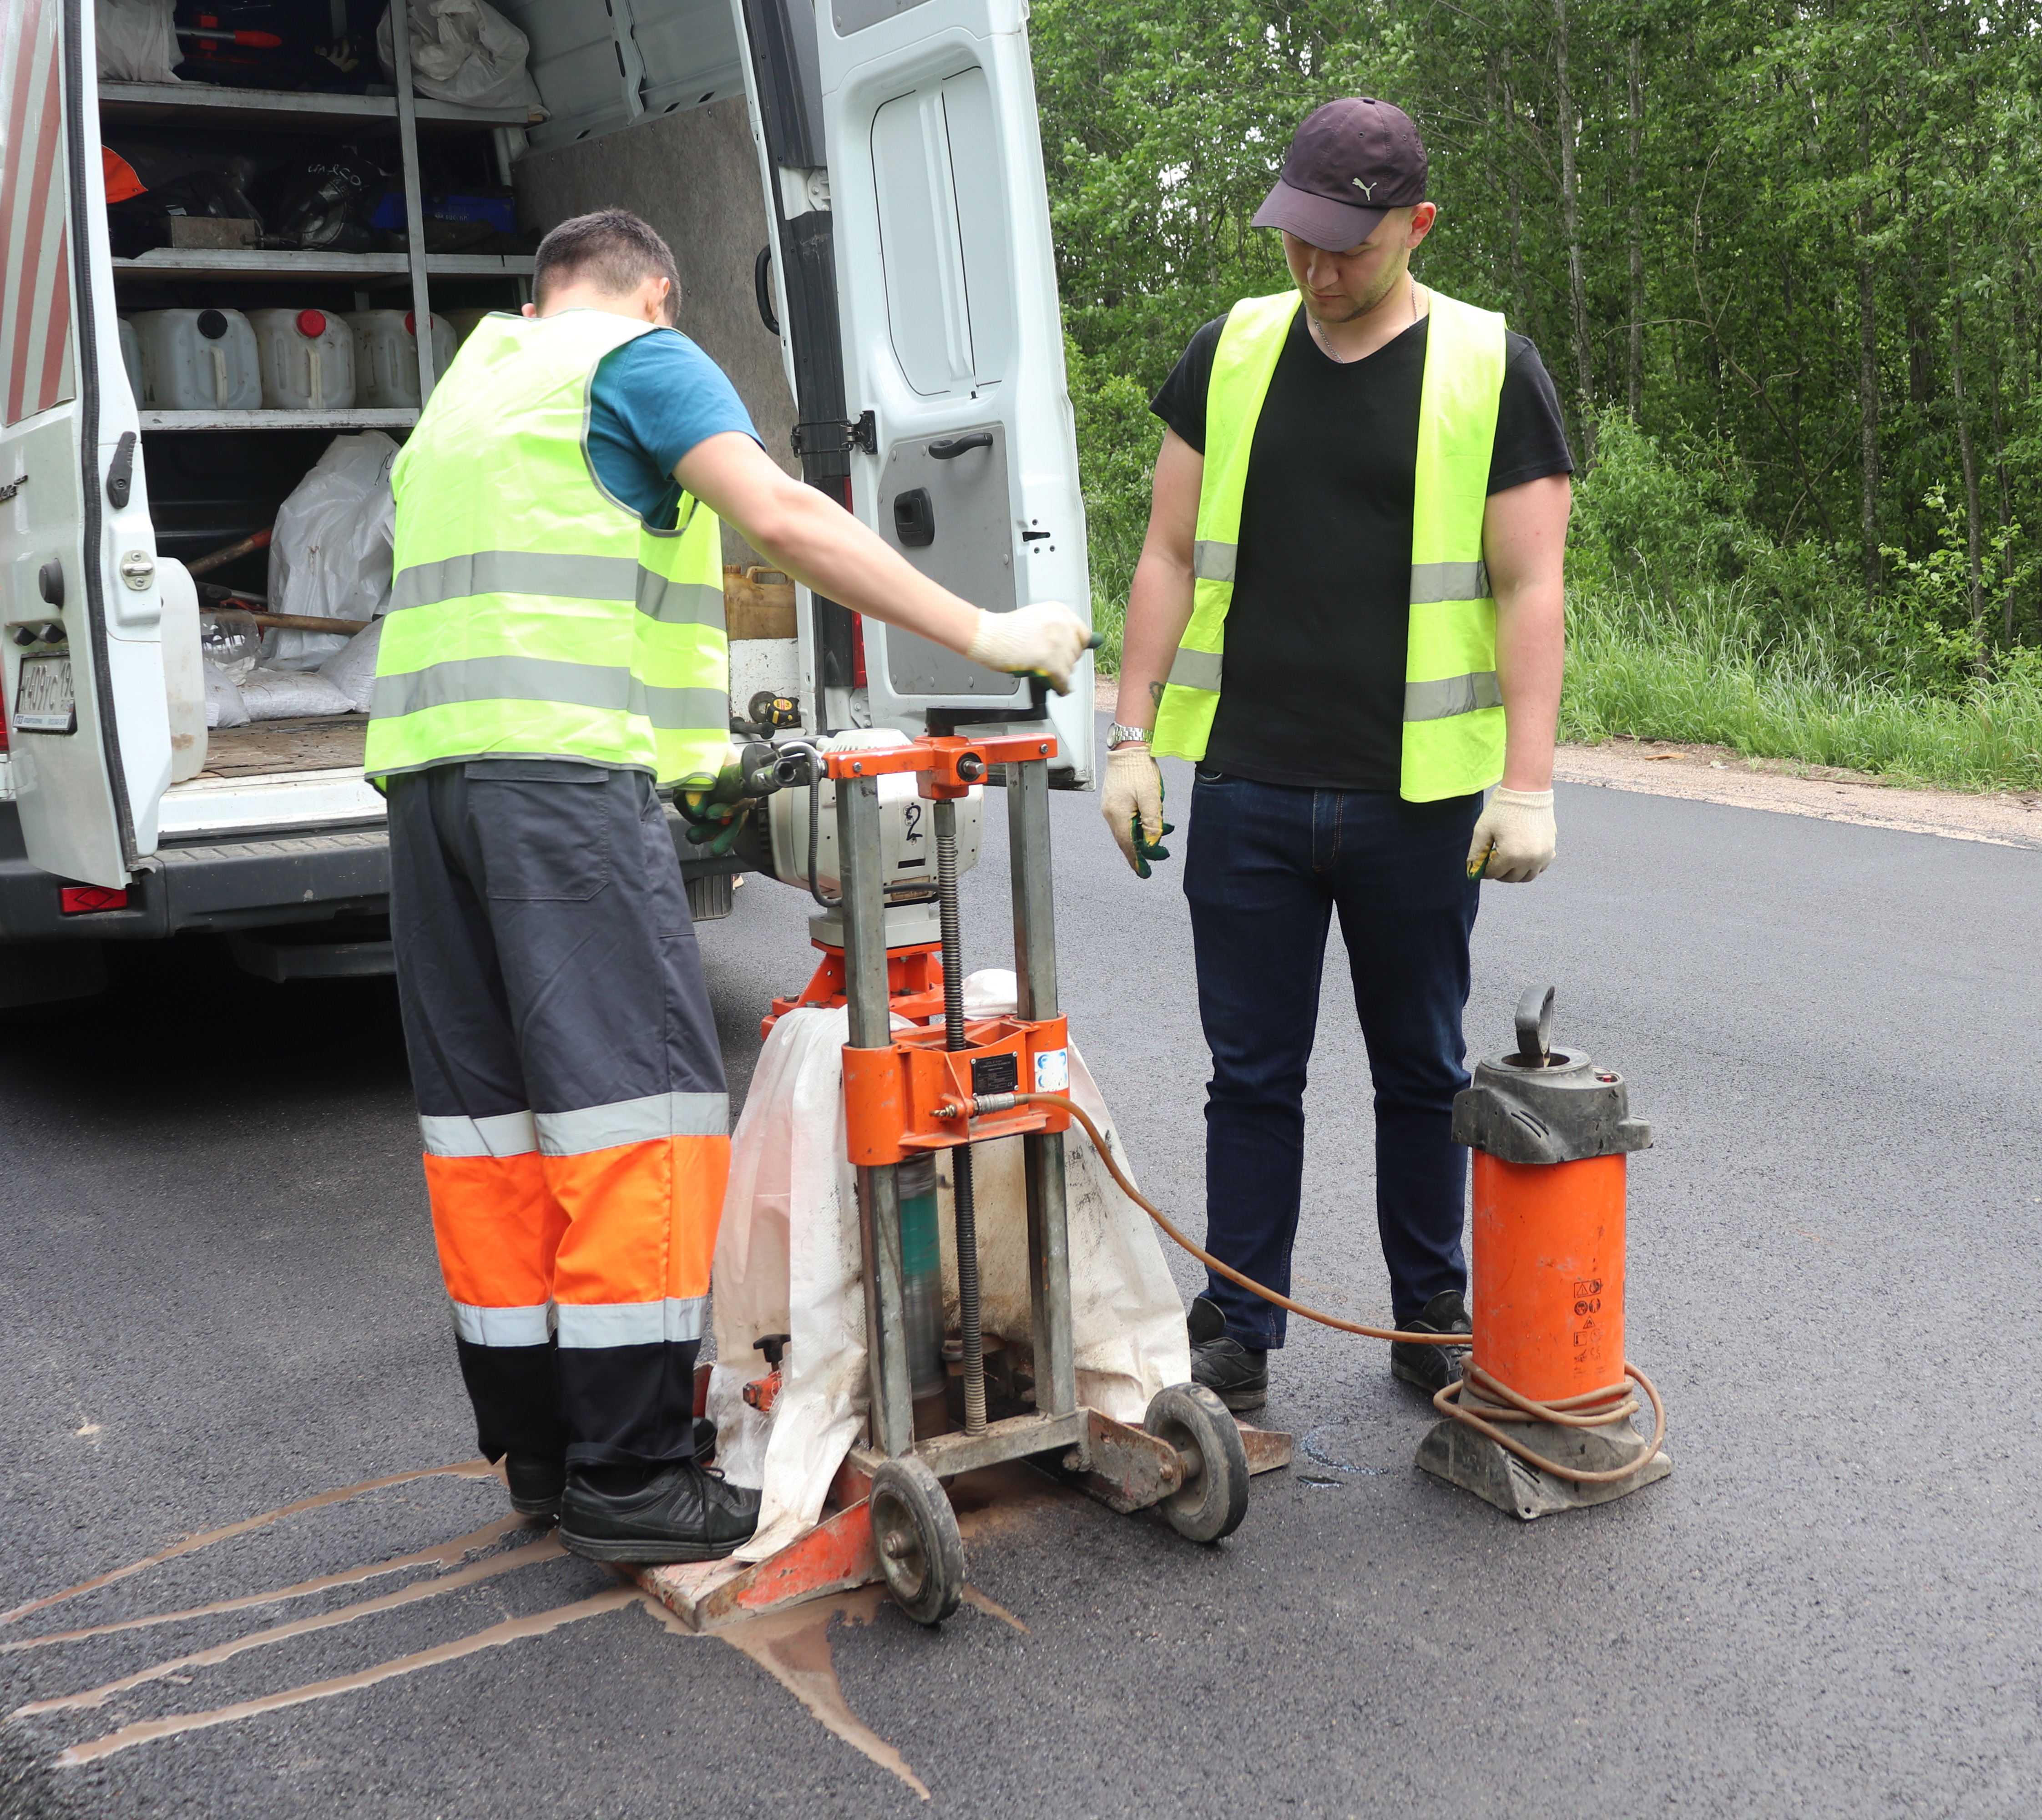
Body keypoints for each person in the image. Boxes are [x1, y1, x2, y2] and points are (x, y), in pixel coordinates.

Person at [368, 209, 1087, 1562]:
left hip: (430, 793)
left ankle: (550, 1456)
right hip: (560, 794)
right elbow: (782, 513)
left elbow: (551, 604)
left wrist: (697, 762)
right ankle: (638, 1475)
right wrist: (989, 632)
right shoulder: (638, 356)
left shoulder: (466, 394)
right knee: (636, 1114)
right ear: (658, 287)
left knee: (495, 1135)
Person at [1105, 99, 1574, 1413]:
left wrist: (1529, 786)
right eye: (1298, 241)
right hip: (1248, 782)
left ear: (1415, 228)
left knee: (1421, 1071)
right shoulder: (1235, 350)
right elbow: (1164, 552)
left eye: (1348, 249)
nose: (1317, 272)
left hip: (1413, 798)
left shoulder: (1490, 366)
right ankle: (1239, 1327)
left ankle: (1431, 1318)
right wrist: (1130, 738)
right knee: (1251, 1075)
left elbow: (1532, 585)